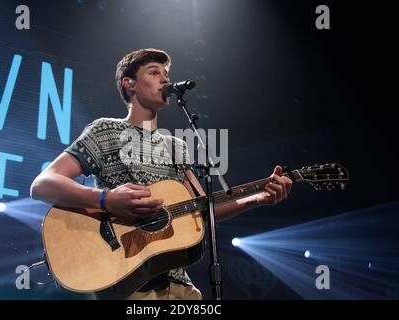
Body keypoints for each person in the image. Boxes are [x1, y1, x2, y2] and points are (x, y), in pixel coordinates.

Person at [30, 48, 293, 300]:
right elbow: (43, 184)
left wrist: (257, 198)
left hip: (180, 286)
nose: (165, 78)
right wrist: (106, 200)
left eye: (166, 73)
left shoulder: (176, 146)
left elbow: (202, 209)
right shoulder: (105, 130)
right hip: (125, 282)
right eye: (154, 72)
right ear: (129, 84)